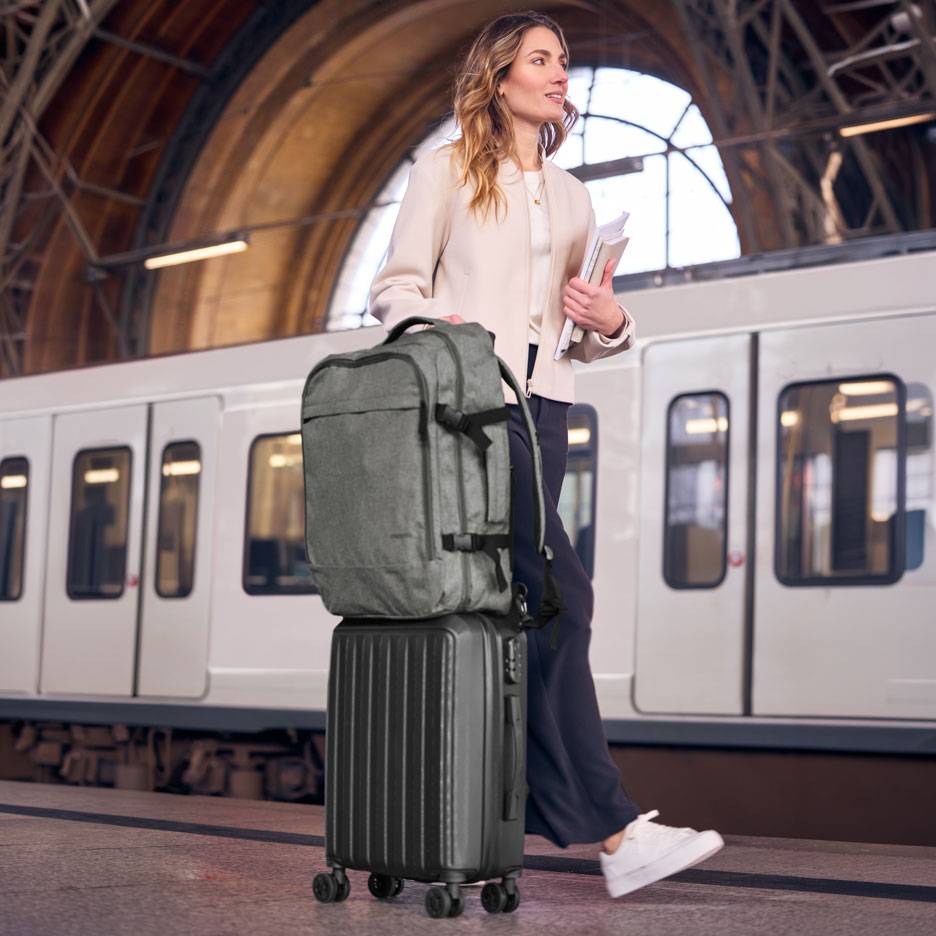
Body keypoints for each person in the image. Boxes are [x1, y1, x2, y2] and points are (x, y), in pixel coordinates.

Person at [369, 10, 724, 898]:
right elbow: (393, 288)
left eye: (563, 60)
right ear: (499, 78)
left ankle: (501, 815)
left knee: (522, 620)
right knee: (562, 597)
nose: (561, 72)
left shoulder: (572, 197)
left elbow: (580, 328)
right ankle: (610, 832)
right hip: (470, 414)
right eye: (541, 59)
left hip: (547, 413)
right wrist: (437, 326)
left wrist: (612, 322)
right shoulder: (445, 171)